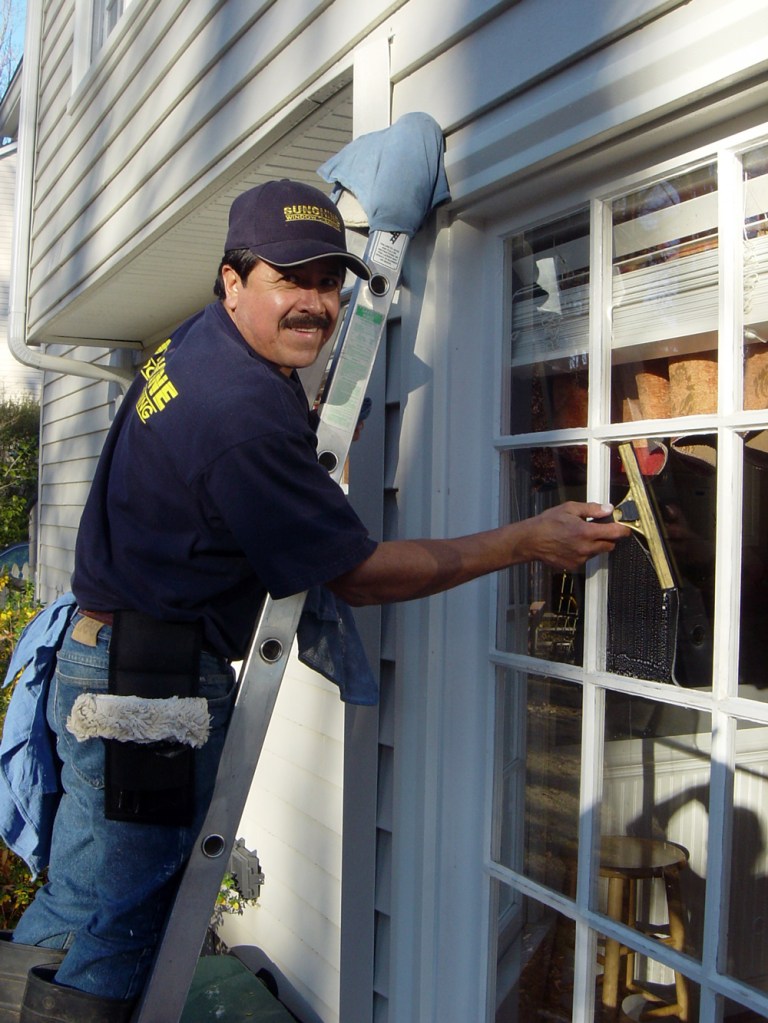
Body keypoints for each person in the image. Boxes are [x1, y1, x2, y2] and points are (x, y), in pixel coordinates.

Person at [2, 179, 629, 1020]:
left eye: (331, 280)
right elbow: (358, 574)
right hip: (147, 695)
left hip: (102, 657)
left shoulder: (200, 345)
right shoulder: (240, 414)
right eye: (290, 279)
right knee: (123, 933)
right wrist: (525, 541)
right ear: (233, 281)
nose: (317, 303)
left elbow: (261, 432)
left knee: (78, 906)